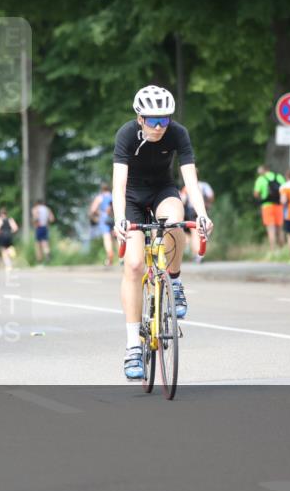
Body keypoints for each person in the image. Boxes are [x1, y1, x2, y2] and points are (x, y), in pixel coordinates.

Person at [112, 85, 213, 380]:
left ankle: (175, 282)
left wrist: (203, 213)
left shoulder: (178, 133)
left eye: (164, 120)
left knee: (176, 220)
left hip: (162, 191)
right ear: (140, 118)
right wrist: (119, 219)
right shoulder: (127, 135)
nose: (159, 126)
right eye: (153, 120)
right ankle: (133, 346)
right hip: (131, 198)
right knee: (133, 265)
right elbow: (118, 184)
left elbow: (191, 181)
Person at [254, 165, 285, 252]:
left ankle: (273, 251)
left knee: (271, 228)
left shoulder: (260, 179)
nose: (258, 172)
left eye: (259, 170)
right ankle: (282, 250)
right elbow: (284, 189)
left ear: (264, 170)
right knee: (280, 228)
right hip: (279, 205)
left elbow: (256, 193)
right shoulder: (278, 177)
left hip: (267, 206)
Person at [180, 180, 214, 262]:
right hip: (202, 210)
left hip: (191, 211)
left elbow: (183, 200)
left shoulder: (186, 187)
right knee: (202, 231)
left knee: (194, 233)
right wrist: (208, 204)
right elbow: (211, 196)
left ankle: (197, 255)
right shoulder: (205, 185)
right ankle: (199, 253)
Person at [89, 183, 116, 266]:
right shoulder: (113, 196)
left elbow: (93, 210)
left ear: (102, 189)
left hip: (104, 219)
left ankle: (109, 256)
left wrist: (99, 213)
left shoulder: (100, 197)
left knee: (107, 239)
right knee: (116, 238)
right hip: (113, 218)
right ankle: (122, 258)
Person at [31, 199, 56, 264]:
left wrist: (34, 222)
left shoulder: (36, 209)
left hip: (39, 227)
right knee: (45, 242)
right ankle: (47, 254)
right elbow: (52, 219)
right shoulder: (47, 209)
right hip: (45, 227)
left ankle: (39, 261)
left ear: (37, 203)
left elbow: (35, 218)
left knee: (38, 245)